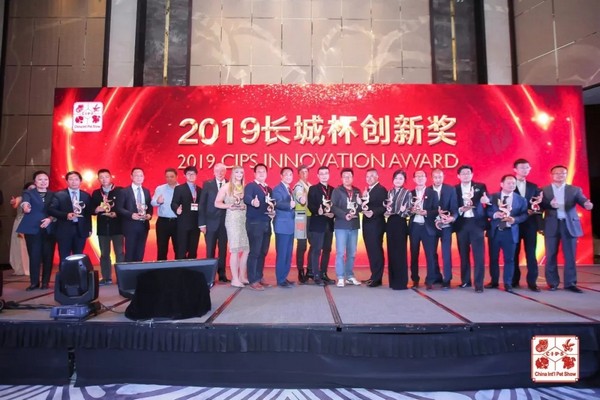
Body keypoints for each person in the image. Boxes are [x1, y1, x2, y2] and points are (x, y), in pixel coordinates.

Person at [541, 165, 593, 293]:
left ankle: (570, 283)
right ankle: (552, 283)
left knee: (570, 256)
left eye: (563, 173)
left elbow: (583, 201)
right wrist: (549, 204)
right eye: (557, 173)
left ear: (566, 174)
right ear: (551, 175)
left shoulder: (574, 190)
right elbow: (540, 206)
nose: (560, 175)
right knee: (551, 255)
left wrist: (587, 205)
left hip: (569, 225)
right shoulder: (544, 190)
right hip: (551, 224)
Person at [485, 175, 529, 292]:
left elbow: (524, 215)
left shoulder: (521, 199)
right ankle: (494, 281)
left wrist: (514, 220)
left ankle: (508, 283)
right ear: (502, 184)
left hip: (510, 232)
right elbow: (487, 211)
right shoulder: (493, 197)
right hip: (495, 232)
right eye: (508, 183)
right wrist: (495, 215)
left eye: (513, 183)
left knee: (509, 259)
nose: (511, 185)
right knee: (493, 258)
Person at [17, 171, 56, 290]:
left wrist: (50, 219)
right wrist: (25, 206)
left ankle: (45, 282)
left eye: (45, 179)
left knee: (48, 256)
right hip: (32, 229)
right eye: (40, 179)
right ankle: (34, 282)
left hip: (49, 229)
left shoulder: (54, 194)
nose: (43, 182)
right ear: (35, 182)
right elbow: (25, 201)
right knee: (34, 256)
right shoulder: (28, 193)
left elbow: (57, 210)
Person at [454, 165, 489, 293]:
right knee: (463, 254)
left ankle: (479, 284)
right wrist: (460, 209)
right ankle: (465, 281)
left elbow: (487, 199)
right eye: (463, 173)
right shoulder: (455, 189)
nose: (466, 175)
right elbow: (453, 206)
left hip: (476, 223)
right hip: (462, 224)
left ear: (472, 174)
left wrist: (487, 200)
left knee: (479, 255)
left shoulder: (480, 186)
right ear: (458, 176)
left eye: (468, 173)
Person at [214, 165, 249, 288]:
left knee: (246, 249)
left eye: (241, 172)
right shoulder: (226, 187)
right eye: (237, 172)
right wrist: (229, 206)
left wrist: (245, 206)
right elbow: (217, 203)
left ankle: (242, 276)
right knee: (235, 250)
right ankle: (235, 279)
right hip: (232, 220)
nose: (239, 174)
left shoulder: (245, 187)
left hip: (244, 219)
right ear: (233, 173)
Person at [512, 158, 542, 291]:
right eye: (522, 167)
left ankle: (532, 282)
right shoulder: (509, 184)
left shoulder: (534, 187)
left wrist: (537, 208)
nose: (525, 170)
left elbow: (538, 205)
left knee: (531, 253)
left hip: (530, 224)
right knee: (514, 253)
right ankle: (513, 280)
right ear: (515, 169)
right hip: (514, 223)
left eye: (527, 168)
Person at [48, 171, 92, 262]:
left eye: (76, 179)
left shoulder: (86, 195)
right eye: (71, 179)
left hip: (80, 231)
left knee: (79, 257)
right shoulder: (59, 195)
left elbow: (88, 214)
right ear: (67, 181)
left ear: (80, 181)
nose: (74, 182)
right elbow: (51, 210)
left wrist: (89, 229)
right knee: (64, 257)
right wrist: (66, 215)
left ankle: (76, 272)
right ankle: (64, 272)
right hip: (64, 230)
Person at [243, 163, 273, 291]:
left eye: (263, 171)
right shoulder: (251, 186)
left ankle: (259, 277)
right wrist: (252, 202)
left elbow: (270, 205)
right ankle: (253, 280)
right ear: (254, 174)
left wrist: (272, 211)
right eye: (259, 171)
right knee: (255, 252)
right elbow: (246, 197)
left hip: (266, 222)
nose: (261, 174)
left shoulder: (268, 189)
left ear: (266, 174)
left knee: (263, 252)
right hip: (254, 223)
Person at [91, 169, 124, 285]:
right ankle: (106, 277)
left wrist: (116, 214)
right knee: (104, 254)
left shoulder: (120, 191)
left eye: (106, 176)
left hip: (118, 227)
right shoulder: (96, 193)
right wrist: (96, 210)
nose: (104, 179)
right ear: (98, 179)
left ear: (111, 177)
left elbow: (124, 207)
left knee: (119, 253)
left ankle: (121, 277)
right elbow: (91, 209)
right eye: (101, 177)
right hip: (102, 228)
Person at [408, 170, 439, 290]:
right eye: (417, 176)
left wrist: (426, 212)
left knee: (430, 255)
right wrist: (412, 210)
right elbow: (406, 210)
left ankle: (430, 280)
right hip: (415, 227)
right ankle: (415, 279)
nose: (420, 178)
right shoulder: (410, 194)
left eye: (422, 176)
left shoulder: (432, 193)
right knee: (414, 254)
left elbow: (436, 210)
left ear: (426, 178)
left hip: (428, 228)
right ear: (414, 179)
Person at [331, 168, 362, 287]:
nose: (347, 178)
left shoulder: (357, 191)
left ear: (353, 178)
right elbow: (333, 207)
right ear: (341, 178)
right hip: (341, 225)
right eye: (345, 176)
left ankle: (349, 276)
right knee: (340, 252)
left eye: (349, 176)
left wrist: (360, 204)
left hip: (354, 225)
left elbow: (360, 207)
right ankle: (340, 277)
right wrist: (344, 215)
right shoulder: (337, 191)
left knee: (352, 253)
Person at [199, 163, 229, 282]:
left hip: (225, 223)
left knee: (223, 250)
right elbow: (202, 204)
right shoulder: (208, 184)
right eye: (218, 171)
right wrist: (202, 224)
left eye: (222, 171)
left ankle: (222, 274)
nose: (220, 173)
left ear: (225, 172)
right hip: (210, 223)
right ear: (214, 172)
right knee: (210, 250)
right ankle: (209, 276)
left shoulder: (230, 184)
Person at [116, 167, 153, 262]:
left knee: (140, 252)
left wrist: (149, 215)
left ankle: (138, 270)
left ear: (144, 177)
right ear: (131, 177)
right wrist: (130, 214)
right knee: (130, 252)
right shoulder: (124, 191)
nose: (139, 178)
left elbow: (149, 206)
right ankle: (129, 271)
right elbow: (119, 208)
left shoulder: (146, 191)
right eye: (136, 175)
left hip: (143, 225)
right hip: (130, 225)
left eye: (141, 176)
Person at [306, 166, 335, 286]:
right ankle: (316, 275)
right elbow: (310, 205)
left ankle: (323, 273)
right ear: (318, 176)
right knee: (316, 249)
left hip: (329, 223)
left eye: (326, 173)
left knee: (327, 250)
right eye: (321, 174)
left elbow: (335, 205)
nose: (324, 176)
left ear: (329, 175)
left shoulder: (333, 190)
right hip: (317, 223)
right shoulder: (313, 189)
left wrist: (333, 213)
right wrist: (317, 211)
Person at [430, 169, 458, 289]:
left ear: (443, 177)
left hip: (446, 225)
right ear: (432, 178)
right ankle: (436, 276)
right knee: (431, 252)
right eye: (435, 177)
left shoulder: (450, 189)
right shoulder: (427, 190)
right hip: (431, 226)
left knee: (446, 253)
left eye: (440, 177)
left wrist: (452, 218)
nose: (438, 179)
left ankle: (447, 278)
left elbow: (454, 208)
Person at [360, 169, 388, 288]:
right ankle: (373, 276)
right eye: (367, 176)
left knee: (376, 251)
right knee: (371, 251)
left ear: (377, 177)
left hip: (376, 224)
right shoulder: (367, 190)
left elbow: (384, 207)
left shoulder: (381, 190)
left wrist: (373, 212)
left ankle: (377, 278)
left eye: (372, 176)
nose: (369, 178)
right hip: (367, 224)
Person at [385, 170, 412, 290]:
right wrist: (387, 211)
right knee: (391, 251)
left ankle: (401, 282)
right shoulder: (389, 192)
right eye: (396, 178)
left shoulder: (407, 193)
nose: (398, 180)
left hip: (401, 222)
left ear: (404, 181)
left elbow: (410, 211)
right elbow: (387, 208)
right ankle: (393, 281)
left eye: (401, 178)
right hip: (390, 222)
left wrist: (402, 211)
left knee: (400, 252)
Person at [272, 167, 296, 288]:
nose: (288, 176)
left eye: (290, 174)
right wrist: (289, 205)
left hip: (290, 226)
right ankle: (280, 279)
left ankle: (284, 277)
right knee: (282, 254)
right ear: (281, 176)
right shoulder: (277, 189)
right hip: (282, 226)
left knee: (288, 254)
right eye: (286, 174)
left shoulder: (289, 189)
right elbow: (277, 203)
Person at [171, 166, 201, 259]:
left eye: (193, 174)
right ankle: (181, 267)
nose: (191, 176)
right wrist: (177, 209)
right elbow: (173, 203)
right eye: (189, 174)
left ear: (196, 175)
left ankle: (192, 267)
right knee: (182, 249)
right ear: (185, 175)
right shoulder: (179, 188)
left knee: (193, 250)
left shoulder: (200, 190)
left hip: (196, 224)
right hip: (183, 223)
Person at [151, 168, 179, 260]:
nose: (169, 179)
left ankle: (179, 268)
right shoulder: (160, 188)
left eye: (171, 176)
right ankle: (161, 268)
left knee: (179, 248)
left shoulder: (181, 189)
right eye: (167, 177)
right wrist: (158, 201)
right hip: (163, 222)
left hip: (178, 222)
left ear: (176, 177)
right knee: (162, 249)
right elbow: (152, 202)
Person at [9, 182, 35, 276]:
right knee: (19, 245)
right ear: (26, 190)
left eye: (34, 189)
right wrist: (13, 202)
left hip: (32, 224)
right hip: (20, 223)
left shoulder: (37, 199)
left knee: (30, 246)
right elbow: (15, 204)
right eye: (30, 188)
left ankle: (30, 267)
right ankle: (19, 268)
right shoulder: (21, 198)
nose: (32, 190)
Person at [292, 165, 312, 283]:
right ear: (298, 174)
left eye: (306, 172)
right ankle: (300, 270)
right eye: (302, 172)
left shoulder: (309, 185)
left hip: (309, 217)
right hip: (300, 218)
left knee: (313, 243)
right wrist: (301, 199)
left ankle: (310, 269)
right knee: (302, 244)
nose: (304, 174)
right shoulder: (298, 186)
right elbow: (299, 195)